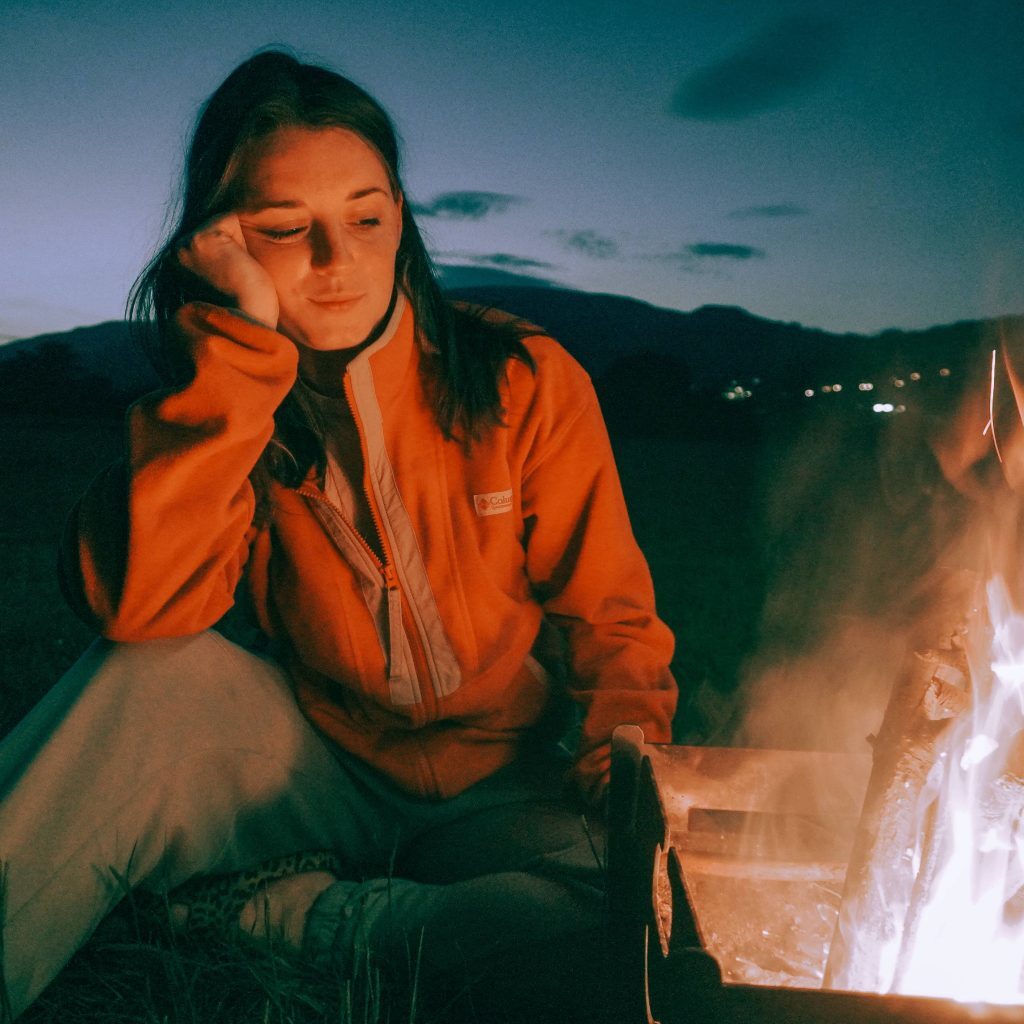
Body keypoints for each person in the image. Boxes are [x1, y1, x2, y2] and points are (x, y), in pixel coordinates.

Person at [0, 49, 677, 1019]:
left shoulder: (519, 375)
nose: (338, 259)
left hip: (499, 786)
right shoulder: (224, 400)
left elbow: (610, 609)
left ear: (400, 213)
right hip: (312, 767)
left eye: (365, 217)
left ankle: (310, 915)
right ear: (218, 239)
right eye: (285, 228)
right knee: (141, 680)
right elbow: (139, 605)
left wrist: (623, 750)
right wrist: (241, 354)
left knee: (640, 907)